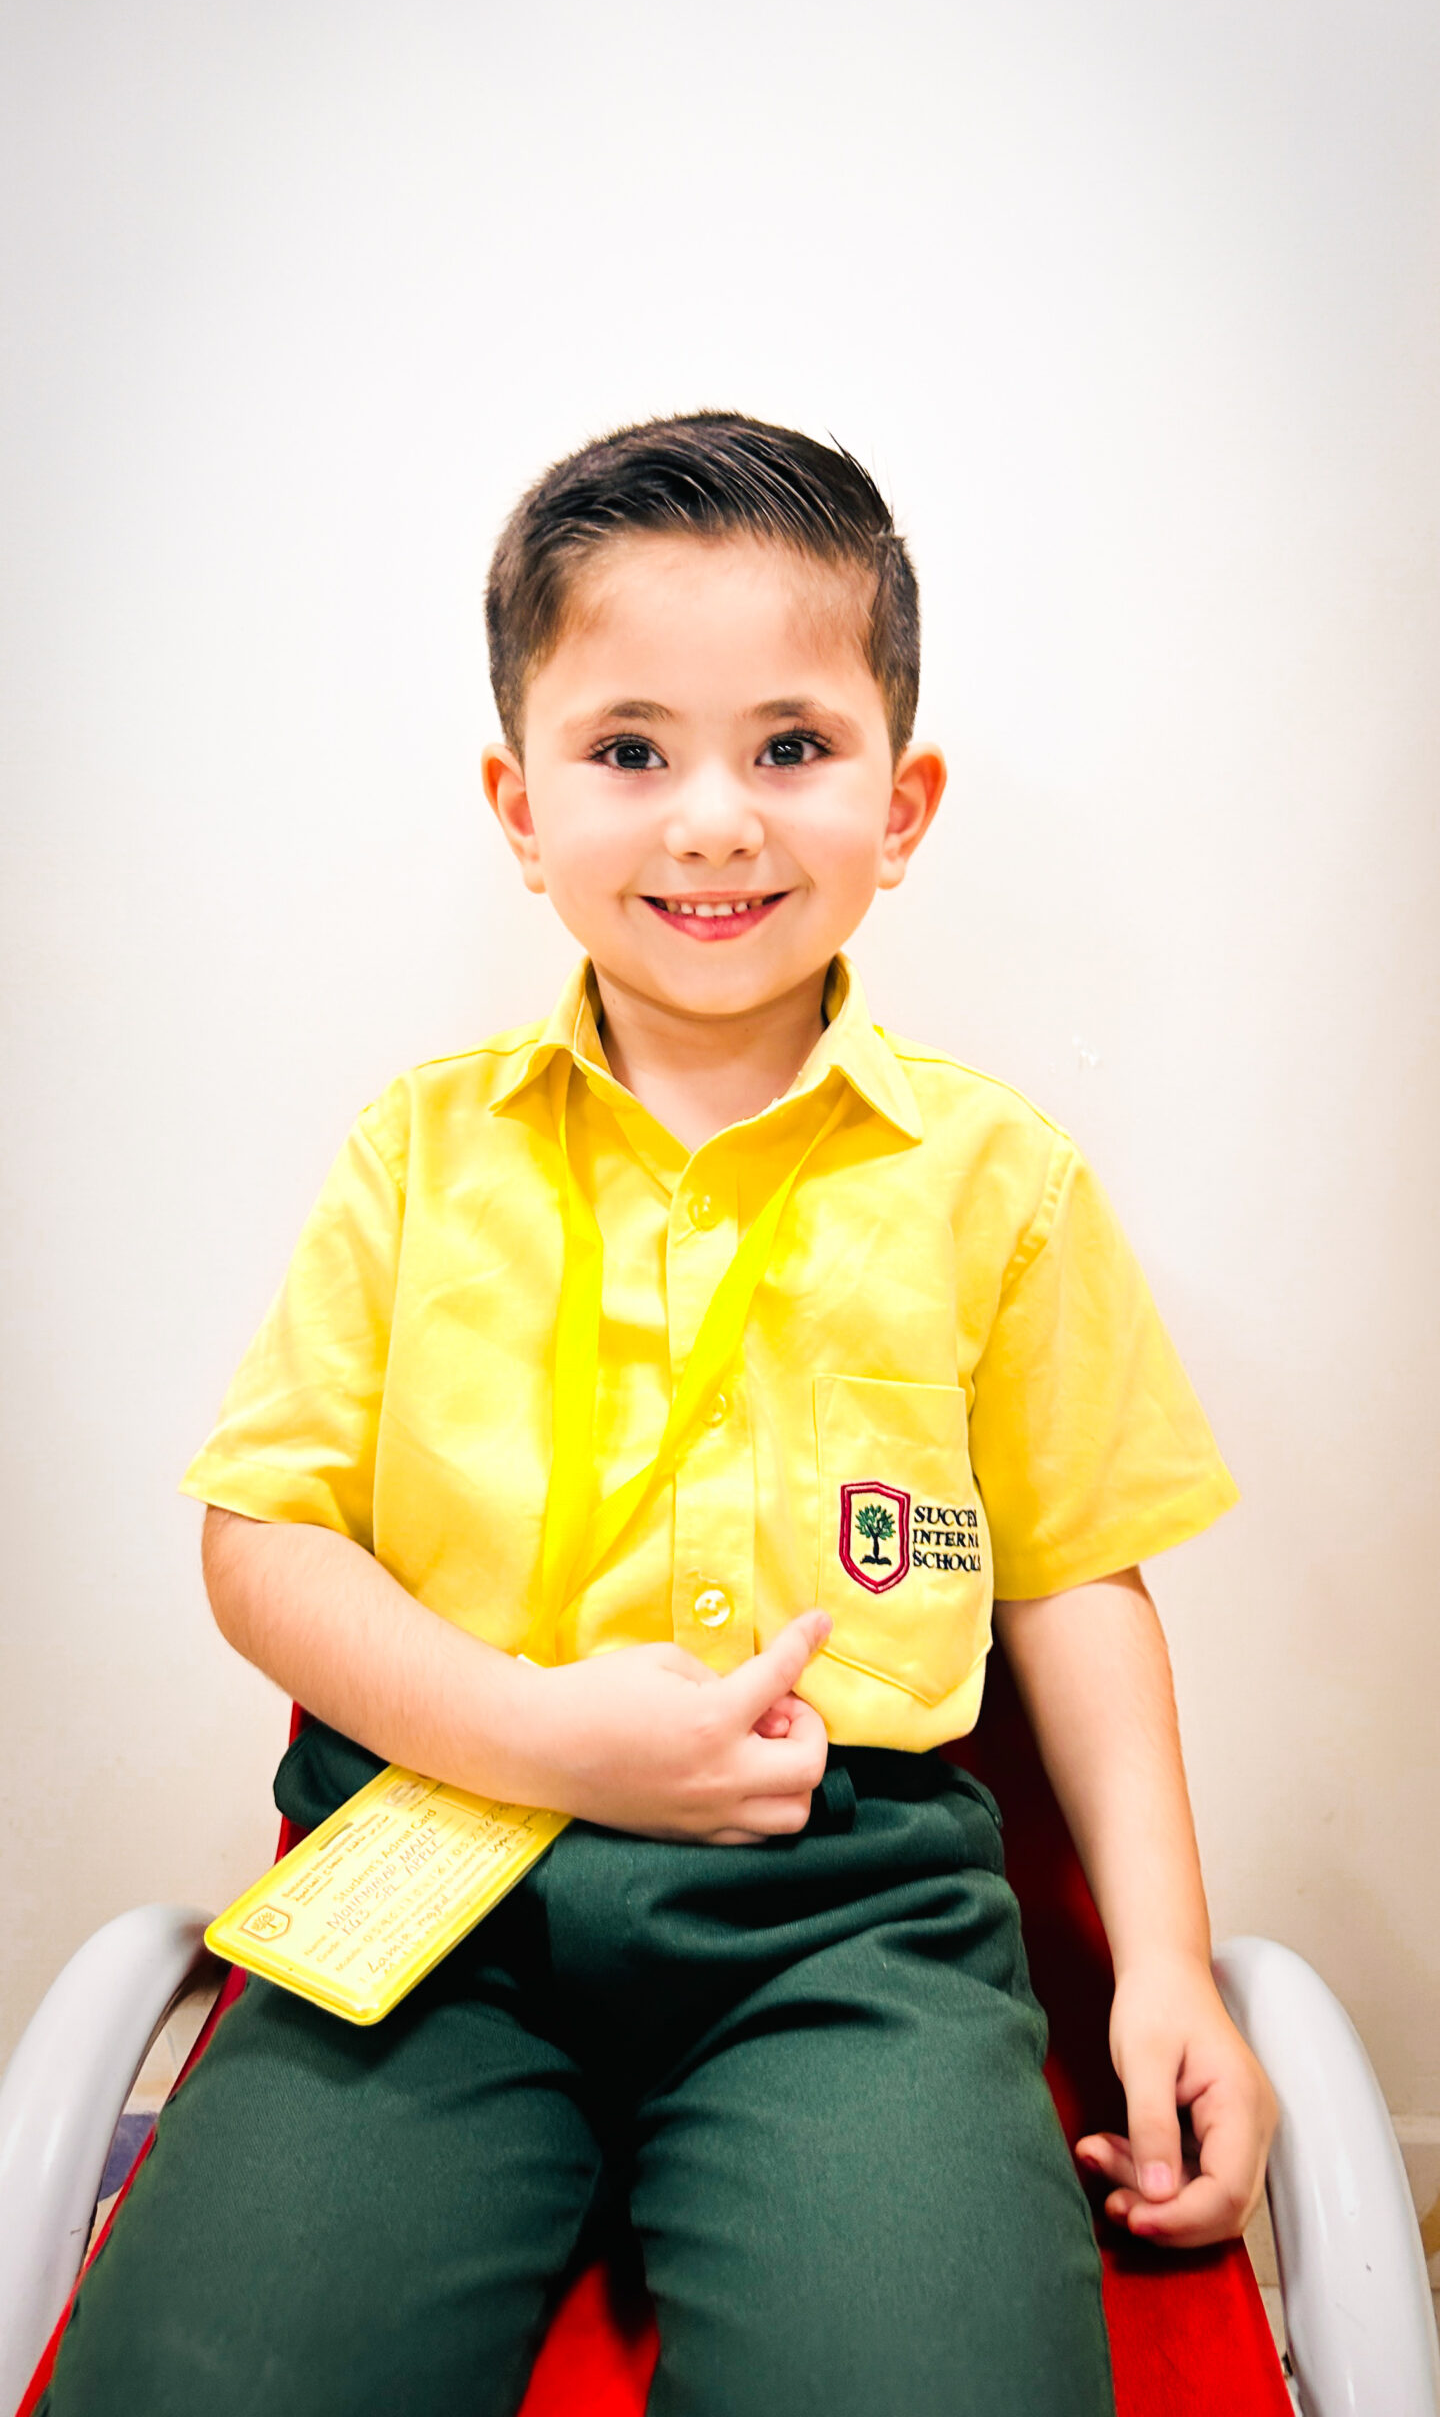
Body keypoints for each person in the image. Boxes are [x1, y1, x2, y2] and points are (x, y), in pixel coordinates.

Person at [43, 413, 1276, 2417]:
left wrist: (1166, 1965)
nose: (712, 820)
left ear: (903, 801)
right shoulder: (416, 1154)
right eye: (629, 750)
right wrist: (536, 1733)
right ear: (520, 806)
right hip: (437, 1881)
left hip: (847, 1922)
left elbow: (1076, 1585)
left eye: (792, 745)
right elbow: (261, 1539)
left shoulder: (1001, 1181)